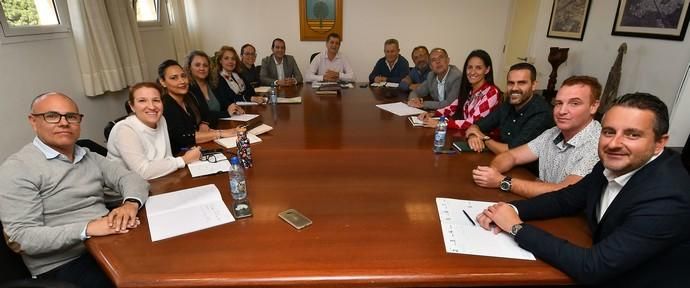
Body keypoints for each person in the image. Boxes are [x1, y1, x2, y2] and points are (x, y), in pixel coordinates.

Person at [477, 93, 690, 287]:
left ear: (659, 143)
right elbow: (566, 199)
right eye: (608, 132)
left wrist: (517, 228)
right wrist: (511, 209)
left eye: (632, 135)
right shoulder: (611, 163)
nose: (614, 143)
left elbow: (593, 268)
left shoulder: (668, 197)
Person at [0, 92, 149, 287]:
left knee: (166, 259)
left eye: (71, 117)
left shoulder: (87, 155)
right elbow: (21, 238)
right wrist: (87, 228)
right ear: (33, 121)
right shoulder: (18, 168)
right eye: (52, 116)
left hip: (109, 243)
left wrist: (130, 204)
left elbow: (130, 178)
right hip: (65, 265)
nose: (64, 123)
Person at [472, 76, 602, 198]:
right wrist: (491, 172)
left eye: (574, 103)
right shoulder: (552, 133)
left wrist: (502, 181)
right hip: (545, 207)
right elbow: (511, 156)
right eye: (558, 103)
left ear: (593, 106)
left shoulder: (598, 144)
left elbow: (564, 192)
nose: (562, 111)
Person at [107, 82, 202, 180]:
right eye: (142, 101)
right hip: (128, 189)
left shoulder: (161, 119)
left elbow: (166, 157)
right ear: (132, 106)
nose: (152, 107)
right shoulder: (125, 130)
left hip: (160, 179)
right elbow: (143, 172)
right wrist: (183, 159)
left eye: (156, 100)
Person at [465, 63, 554, 154]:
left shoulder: (541, 113)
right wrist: (473, 136)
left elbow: (512, 151)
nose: (514, 88)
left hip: (527, 167)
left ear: (534, 85)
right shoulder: (508, 104)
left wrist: (484, 138)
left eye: (521, 83)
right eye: (511, 83)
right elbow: (477, 126)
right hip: (504, 162)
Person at [159, 59, 241, 154]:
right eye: (174, 78)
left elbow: (207, 114)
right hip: (180, 156)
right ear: (163, 82)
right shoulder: (165, 105)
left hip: (197, 149)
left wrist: (204, 123)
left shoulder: (189, 97)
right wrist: (220, 133)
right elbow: (183, 137)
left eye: (183, 76)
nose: (182, 81)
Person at [418, 49, 500, 130]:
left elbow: (474, 122)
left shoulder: (491, 92)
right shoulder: (470, 90)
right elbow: (451, 108)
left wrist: (441, 123)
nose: (472, 72)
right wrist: (432, 114)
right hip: (466, 135)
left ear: (487, 70)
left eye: (478, 68)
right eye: (470, 67)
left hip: (482, 138)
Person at [185, 50, 237, 127]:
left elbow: (224, 103)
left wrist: (233, 107)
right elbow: (202, 115)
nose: (202, 68)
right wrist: (226, 113)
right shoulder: (188, 89)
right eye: (197, 65)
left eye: (205, 65)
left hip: (221, 125)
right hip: (205, 131)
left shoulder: (213, 84)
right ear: (189, 67)